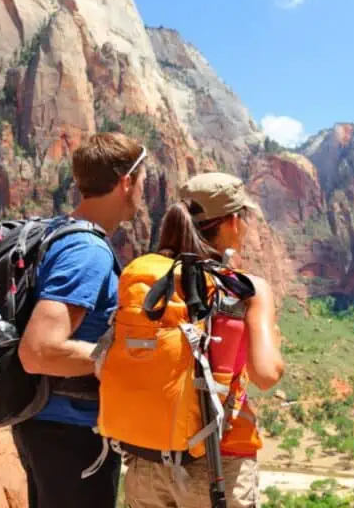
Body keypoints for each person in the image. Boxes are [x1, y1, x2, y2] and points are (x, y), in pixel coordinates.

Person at [123, 172, 285, 508]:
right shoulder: (246, 288)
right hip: (219, 464)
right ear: (232, 222)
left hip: (147, 459)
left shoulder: (148, 281)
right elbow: (266, 375)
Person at [13, 131, 148, 508]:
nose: (142, 193)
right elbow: (39, 351)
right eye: (142, 182)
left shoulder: (58, 231)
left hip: (46, 425)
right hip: (69, 434)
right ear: (126, 183)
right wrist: (125, 358)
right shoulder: (87, 251)